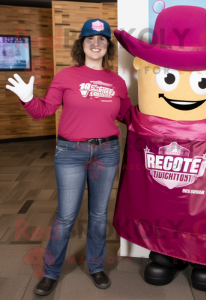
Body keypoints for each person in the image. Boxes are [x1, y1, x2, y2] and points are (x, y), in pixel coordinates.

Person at [6, 18, 131, 296]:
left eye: (102, 40)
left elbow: (127, 117)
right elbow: (44, 110)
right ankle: (51, 272)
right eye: (90, 39)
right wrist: (28, 98)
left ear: (108, 47)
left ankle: (96, 267)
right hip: (70, 153)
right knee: (65, 217)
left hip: (106, 152)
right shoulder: (66, 76)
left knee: (98, 216)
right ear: (82, 44)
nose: (96, 44)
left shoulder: (117, 82)